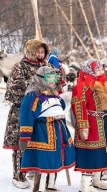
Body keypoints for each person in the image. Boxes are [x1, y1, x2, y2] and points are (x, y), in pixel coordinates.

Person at [71, 59, 107, 192]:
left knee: (103, 152)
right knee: (91, 153)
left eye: (102, 69)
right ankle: (85, 185)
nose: (101, 72)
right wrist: (83, 125)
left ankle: (97, 180)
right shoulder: (83, 85)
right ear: (89, 70)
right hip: (91, 123)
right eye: (97, 70)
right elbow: (78, 105)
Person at [19, 66, 75, 192]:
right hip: (43, 132)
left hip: (58, 130)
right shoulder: (33, 95)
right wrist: (25, 136)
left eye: (54, 77)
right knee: (44, 161)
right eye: (49, 77)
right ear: (40, 78)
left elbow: (61, 107)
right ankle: (39, 188)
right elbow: (26, 114)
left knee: (55, 159)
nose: (52, 81)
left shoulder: (54, 93)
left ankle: (50, 186)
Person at [3, 39, 50, 189]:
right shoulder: (20, 67)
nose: (40, 54)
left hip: (42, 111)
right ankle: (19, 175)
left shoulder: (46, 67)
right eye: (38, 51)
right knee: (21, 143)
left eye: (43, 52)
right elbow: (13, 90)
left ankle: (33, 170)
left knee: (39, 142)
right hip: (22, 112)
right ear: (30, 51)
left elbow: (54, 85)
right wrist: (35, 90)